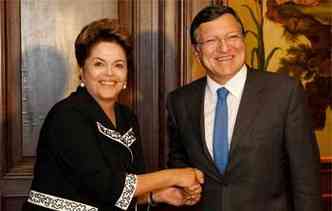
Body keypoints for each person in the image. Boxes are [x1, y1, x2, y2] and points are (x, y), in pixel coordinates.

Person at [22, 18, 204, 211]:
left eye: (118, 65)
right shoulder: (66, 115)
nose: (109, 73)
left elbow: (125, 189)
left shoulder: (127, 117)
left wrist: (156, 195)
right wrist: (175, 176)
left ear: (126, 74)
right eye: (99, 64)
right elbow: (106, 185)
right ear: (82, 71)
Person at [166, 5, 322, 211]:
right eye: (212, 41)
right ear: (197, 51)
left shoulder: (284, 92)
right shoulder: (180, 101)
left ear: (243, 39)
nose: (224, 48)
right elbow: (179, 167)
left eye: (232, 36)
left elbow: (306, 179)